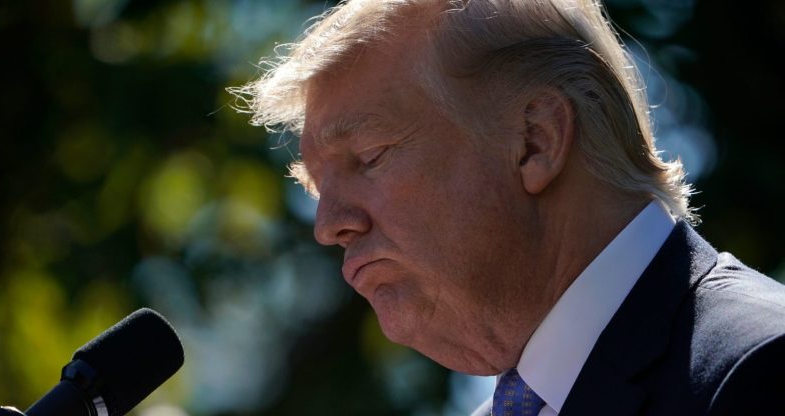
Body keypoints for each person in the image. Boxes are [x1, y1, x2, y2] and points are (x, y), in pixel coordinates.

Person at [231, 0, 785, 414]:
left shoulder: (757, 370)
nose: (328, 227)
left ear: (535, 141)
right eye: (315, 186)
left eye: (369, 157)